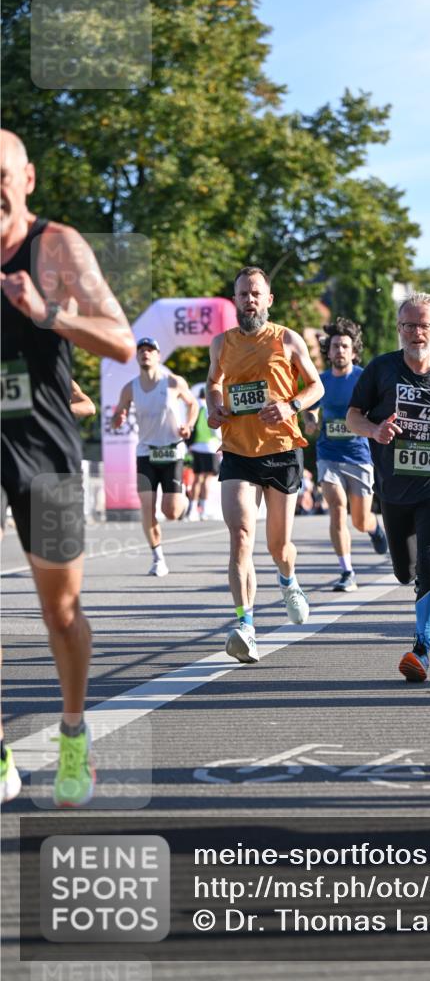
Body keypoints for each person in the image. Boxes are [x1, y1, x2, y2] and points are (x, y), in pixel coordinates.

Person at [0, 129, 135, 806]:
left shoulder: (55, 247)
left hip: (43, 446)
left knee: (60, 612)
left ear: (26, 180)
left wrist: (47, 312)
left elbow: (121, 342)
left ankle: (74, 733)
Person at [346, 292, 430, 682]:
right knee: (405, 572)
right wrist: (374, 429)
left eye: (424, 325)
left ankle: (421, 651)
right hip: (394, 486)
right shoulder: (381, 369)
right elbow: (353, 416)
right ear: (399, 329)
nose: (416, 332)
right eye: (409, 325)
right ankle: (414, 586)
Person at [206, 266, 324, 664]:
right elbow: (213, 383)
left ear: (268, 300)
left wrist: (290, 405)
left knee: (278, 546)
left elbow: (316, 386)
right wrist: (214, 407)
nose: (249, 300)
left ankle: (289, 581)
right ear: (235, 299)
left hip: (282, 450)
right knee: (240, 536)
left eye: (256, 293)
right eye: (243, 294)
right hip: (238, 450)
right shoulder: (221, 343)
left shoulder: (287, 339)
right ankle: (246, 626)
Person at [303, 317, 387, 592]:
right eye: (335, 346)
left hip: (359, 455)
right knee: (336, 508)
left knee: (360, 521)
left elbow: (378, 410)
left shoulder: (363, 378)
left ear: (353, 351)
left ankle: (375, 528)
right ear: (328, 351)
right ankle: (347, 571)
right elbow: (311, 406)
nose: (340, 350)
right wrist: (312, 419)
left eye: (345, 346)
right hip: (328, 453)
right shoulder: (321, 380)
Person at [112, 338, 199, 576]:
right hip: (145, 453)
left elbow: (194, 405)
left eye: (150, 350)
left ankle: (183, 501)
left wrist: (188, 425)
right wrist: (117, 418)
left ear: (158, 356)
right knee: (147, 508)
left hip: (172, 451)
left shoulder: (173, 382)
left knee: (171, 512)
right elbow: (117, 413)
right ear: (137, 357)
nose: (145, 354)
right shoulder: (130, 388)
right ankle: (158, 558)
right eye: (141, 350)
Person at [186, 387, 221, 521]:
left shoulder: (195, 408)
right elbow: (215, 430)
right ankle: (204, 510)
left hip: (196, 447)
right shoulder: (208, 408)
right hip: (209, 447)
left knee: (196, 478)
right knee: (206, 479)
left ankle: (192, 509)